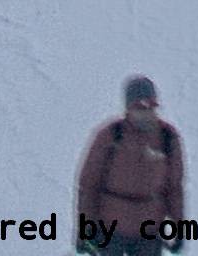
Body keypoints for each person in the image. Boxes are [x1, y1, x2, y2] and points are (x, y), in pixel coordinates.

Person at [74, 76, 185, 253]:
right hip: (110, 231)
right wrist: (86, 229)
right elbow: (89, 185)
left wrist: (179, 226)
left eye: (151, 105)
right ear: (128, 108)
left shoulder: (167, 138)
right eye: (139, 107)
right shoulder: (111, 136)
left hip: (149, 233)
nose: (146, 112)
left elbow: (174, 188)